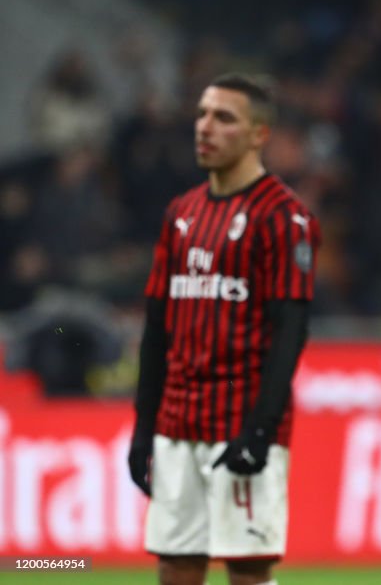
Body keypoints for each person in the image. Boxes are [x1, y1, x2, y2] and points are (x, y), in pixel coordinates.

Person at [128, 74, 320, 585]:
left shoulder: (285, 217)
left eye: (224, 117)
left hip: (241, 422)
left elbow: (290, 331)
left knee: (247, 569)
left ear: (259, 134)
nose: (205, 128)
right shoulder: (181, 214)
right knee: (175, 565)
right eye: (202, 114)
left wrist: (260, 428)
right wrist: (144, 427)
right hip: (176, 423)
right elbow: (156, 330)